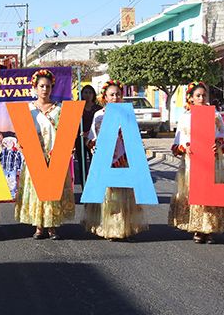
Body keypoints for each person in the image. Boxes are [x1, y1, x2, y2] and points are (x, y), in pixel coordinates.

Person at [168, 82, 224, 243]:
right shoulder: (185, 117)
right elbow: (178, 142)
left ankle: (209, 229)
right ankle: (198, 229)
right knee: (195, 194)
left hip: (212, 160)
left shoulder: (215, 115)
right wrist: (185, 148)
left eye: (204, 95)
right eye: (198, 95)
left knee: (210, 194)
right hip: (192, 162)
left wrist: (218, 144)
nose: (201, 98)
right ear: (191, 98)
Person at [82, 80, 148, 240]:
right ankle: (108, 227)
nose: (115, 97)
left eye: (118, 94)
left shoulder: (127, 114)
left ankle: (121, 227)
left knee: (122, 196)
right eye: (112, 94)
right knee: (108, 196)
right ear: (105, 97)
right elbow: (92, 138)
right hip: (105, 161)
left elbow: (134, 138)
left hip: (123, 160)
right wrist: (93, 146)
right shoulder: (99, 115)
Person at [14, 69, 75, 239]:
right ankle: (39, 226)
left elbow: (66, 131)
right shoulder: (28, 109)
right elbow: (22, 133)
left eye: (48, 86)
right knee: (37, 190)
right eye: (41, 86)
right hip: (35, 155)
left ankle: (53, 226)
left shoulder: (59, 109)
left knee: (54, 191)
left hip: (55, 154)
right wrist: (22, 143)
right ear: (35, 87)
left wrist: (67, 146)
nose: (44, 89)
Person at [75, 85, 102, 186]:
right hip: (80, 140)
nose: (87, 95)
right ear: (81, 94)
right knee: (82, 165)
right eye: (85, 92)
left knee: (95, 164)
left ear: (93, 95)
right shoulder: (77, 108)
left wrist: (89, 133)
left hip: (94, 140)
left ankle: (95, 186)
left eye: (90, 92)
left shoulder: (98, 109)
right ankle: (84, 188)